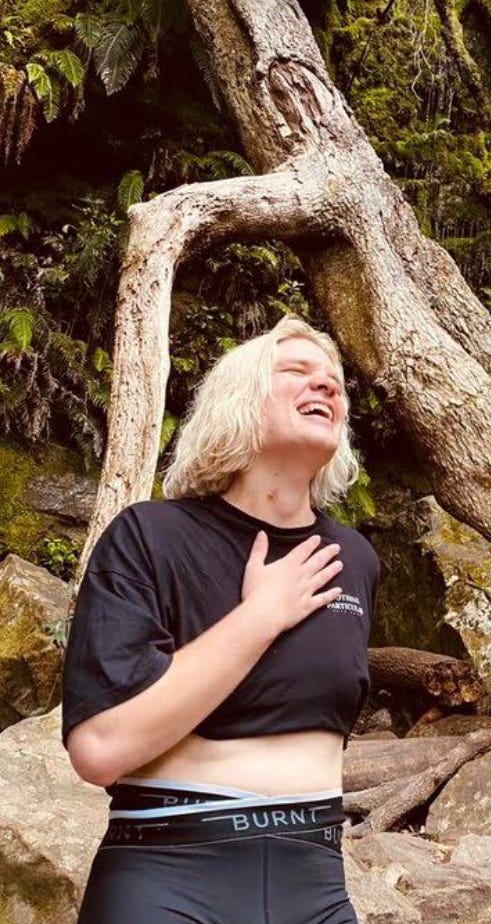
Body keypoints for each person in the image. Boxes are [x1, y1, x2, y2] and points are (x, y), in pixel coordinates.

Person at [61, 315, 379, 924]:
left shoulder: (354, 560)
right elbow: (100, 749)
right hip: (166, 872)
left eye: (336, 382)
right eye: (298, 372)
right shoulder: (149, 537)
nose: (328, 387)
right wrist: (260, 616)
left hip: (316, 880)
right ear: (241, 401)